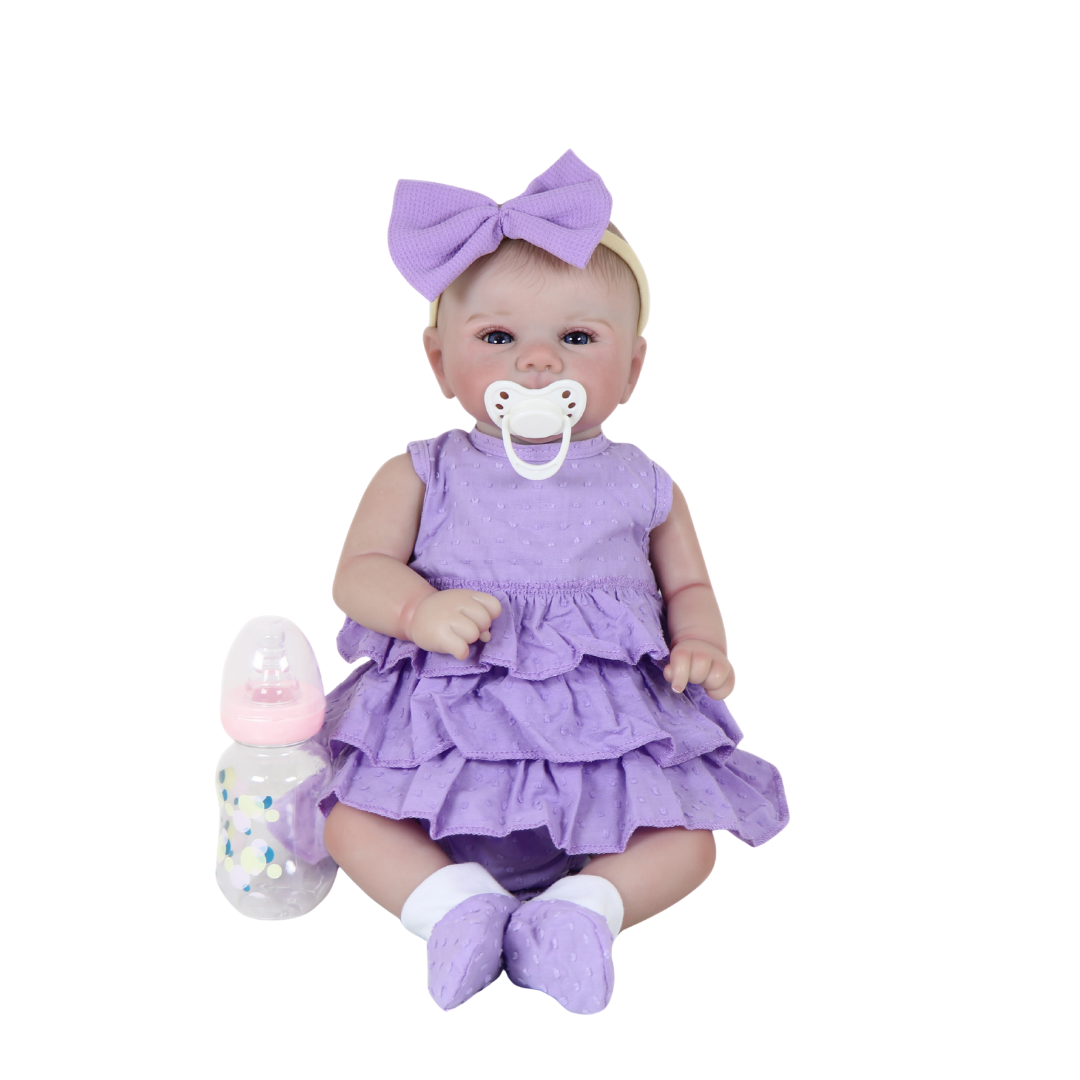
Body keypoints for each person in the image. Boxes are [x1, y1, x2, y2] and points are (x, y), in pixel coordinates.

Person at [319, 151, 788, 1014]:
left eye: (577, 339)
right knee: (347, 817)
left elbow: (688, 586)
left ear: (633, 368)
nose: (537, 363)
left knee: (691, 844)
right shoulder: (422, 472)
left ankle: (581, 911)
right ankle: (452, 907)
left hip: (604, 759)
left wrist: (702, 643)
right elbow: (357, 574)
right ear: (439, 361)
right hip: (443, 752)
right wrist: (417, 609)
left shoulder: (645, 483)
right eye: (498, 338)